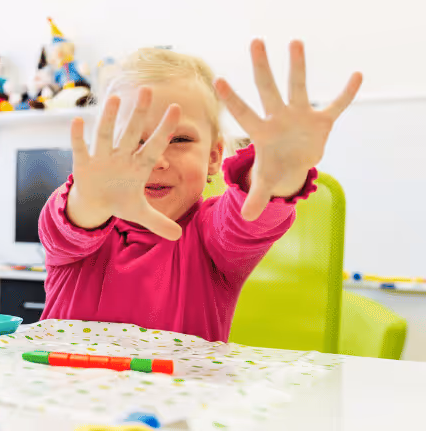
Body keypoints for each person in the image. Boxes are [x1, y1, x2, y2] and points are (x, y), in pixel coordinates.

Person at [38, 41, 362, 342]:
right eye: (133, 140)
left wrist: (276, 170)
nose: (158, 160)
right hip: (66, 401)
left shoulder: (212, 237)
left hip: (182, 402)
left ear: (213, 157)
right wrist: (92, 197)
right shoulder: (79, 221)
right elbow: (72, 222)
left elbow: (248, 216)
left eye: (180, 140)